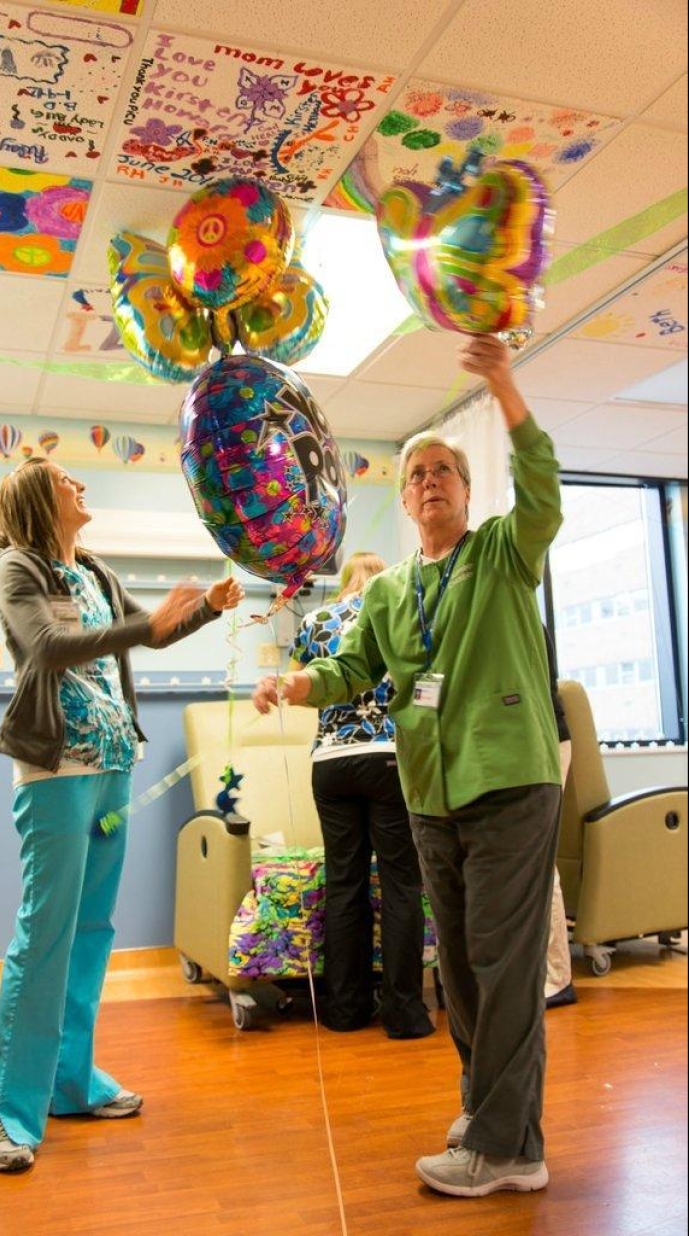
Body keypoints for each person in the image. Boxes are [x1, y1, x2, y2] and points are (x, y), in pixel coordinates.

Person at [253, 334, 563, 1199]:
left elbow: (543, 489)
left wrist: (501, 383)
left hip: (507, 780)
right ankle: (493, 1116)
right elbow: (353, 671)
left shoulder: (503, 551)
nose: (428, 482)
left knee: (503, 960)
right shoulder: (386, 592)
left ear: (466, 493)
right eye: (416, 474)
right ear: (403, 497)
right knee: (458, 962)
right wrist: (296, 682)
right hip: (428, 789)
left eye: (443, 472)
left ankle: (505, 1147)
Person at [0, 458, 244, 1173]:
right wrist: (147, 624)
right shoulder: (16, 569)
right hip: (56, 771)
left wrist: (207, 611)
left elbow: (148, 635)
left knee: (91, 930)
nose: (81, 488)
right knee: (45, 935)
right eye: (68, 481)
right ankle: (9, 1112)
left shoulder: (93, 570)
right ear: (39, 497)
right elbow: (48, 646)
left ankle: (70, 1082)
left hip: (113, 766)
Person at [290, 551, 435, 1040]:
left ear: (347, 579)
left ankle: (345, 1008)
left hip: (329, 763)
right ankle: (404, 1013)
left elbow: (306, 681)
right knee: (400, 883)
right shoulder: (399, 610)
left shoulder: (315, 619)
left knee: (344, 882)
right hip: (389, 757)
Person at [543, 625, 577, 1009]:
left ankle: (557, 977)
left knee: (538, 861)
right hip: (516, 743)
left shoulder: (515, 605)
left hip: (544, 740)